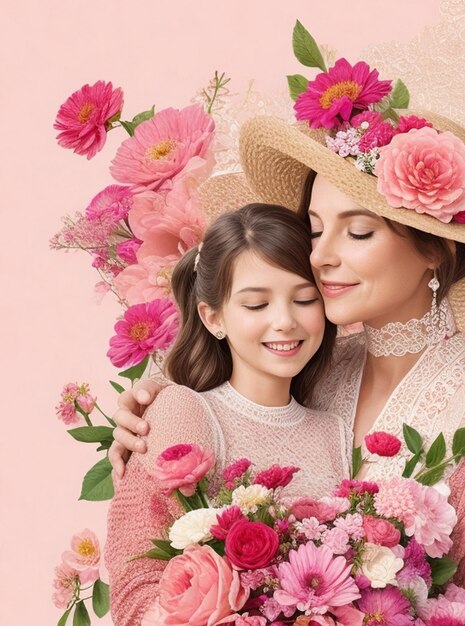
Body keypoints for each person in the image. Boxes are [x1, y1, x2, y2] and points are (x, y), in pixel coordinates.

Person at [110, 111, 465, 625]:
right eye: (315, 231)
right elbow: (220, 400)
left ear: (435, 248)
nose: (320, 257)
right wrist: (154, 401)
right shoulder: (310, 363)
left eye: (358, 231)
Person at [105, 203, 350, 626]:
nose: (285, 322)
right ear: (213, 317)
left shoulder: (337, 429)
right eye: (256, 305)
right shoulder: (185, 411)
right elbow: (135, 575)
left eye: (305, 299)